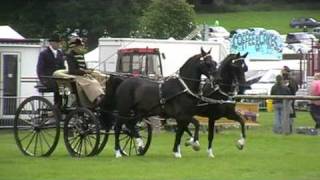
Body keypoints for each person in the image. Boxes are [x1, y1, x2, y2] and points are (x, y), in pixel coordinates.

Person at [65, 37, 105, 108]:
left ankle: (102, 94)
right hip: (76, 76)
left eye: (81, 46)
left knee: (100, 77)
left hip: (83, 75)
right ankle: (96, 99)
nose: (81, 47)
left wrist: (89, 70)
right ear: (74, 47)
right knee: (92, 82)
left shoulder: (81, 55)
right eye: (79, 46)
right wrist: (85, 71)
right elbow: (72, 70)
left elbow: (84, 67)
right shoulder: (70, 55)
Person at [36, 33, 65, 105]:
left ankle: (61, 105)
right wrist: (43, 80)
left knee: (66, 88)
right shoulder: (44, 53)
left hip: (58, 79)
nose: (59, 44)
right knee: (59, 87)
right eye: (57, 42)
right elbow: (40, 69)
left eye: (59, 42)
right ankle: (57, 105)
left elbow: (62, 67)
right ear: (52, 43)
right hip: (48, 79)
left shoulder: (60, 53)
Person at [281, 66, 298, 132]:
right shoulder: (292, 79)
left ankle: (289, 127)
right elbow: (296, 88)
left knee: (289, 113)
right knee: (289, 113)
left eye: (282, 70)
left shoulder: (287, 79)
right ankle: (288, 127)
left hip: (289, 98)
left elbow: (294, 88)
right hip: (290, 97)